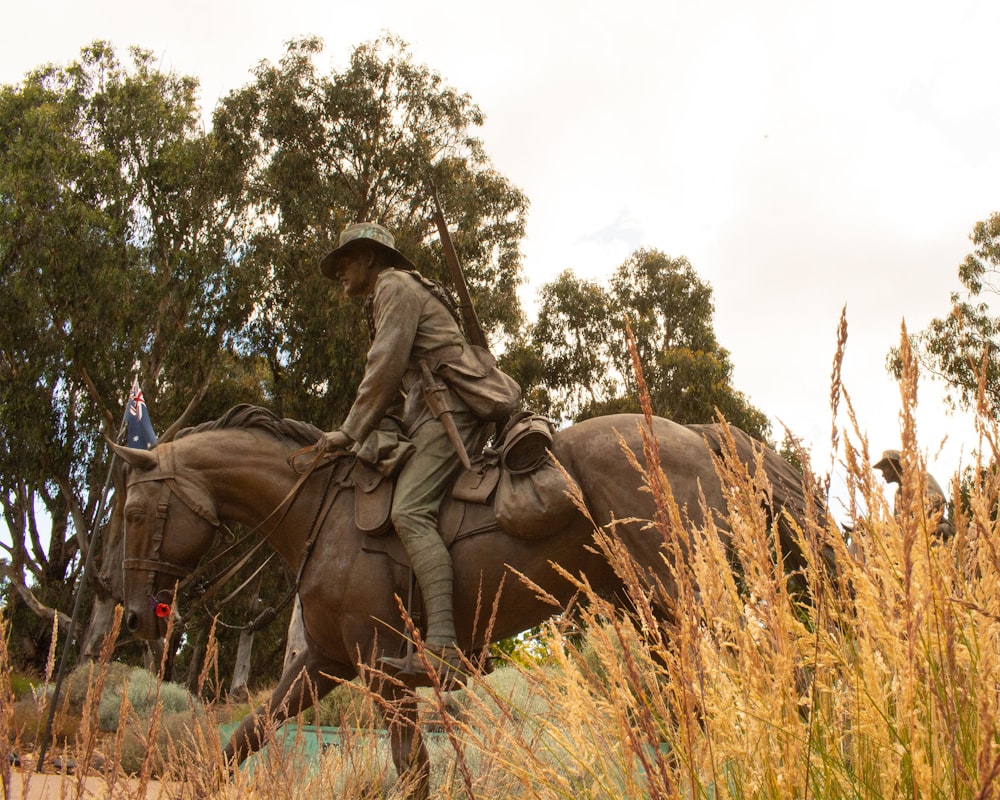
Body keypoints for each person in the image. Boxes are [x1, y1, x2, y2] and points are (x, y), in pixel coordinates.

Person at [316, 221, 521, 679]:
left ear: (369, 258)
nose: (341, 274)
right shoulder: (389, 293)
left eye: (346, 262)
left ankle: (446, 646)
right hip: (428, 413)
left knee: (409, 511)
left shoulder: (394, 285)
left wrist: (349, 432)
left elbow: (384, 366)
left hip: (451, 412)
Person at [873, 449, 955, 540]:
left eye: (884, 469)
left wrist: (916, 522)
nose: (882, 474)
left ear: (894, 466)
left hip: (933, 532)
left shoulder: (920, 478)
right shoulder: (898, 494)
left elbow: (938, 500)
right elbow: (898, 521)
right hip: (912, 537)